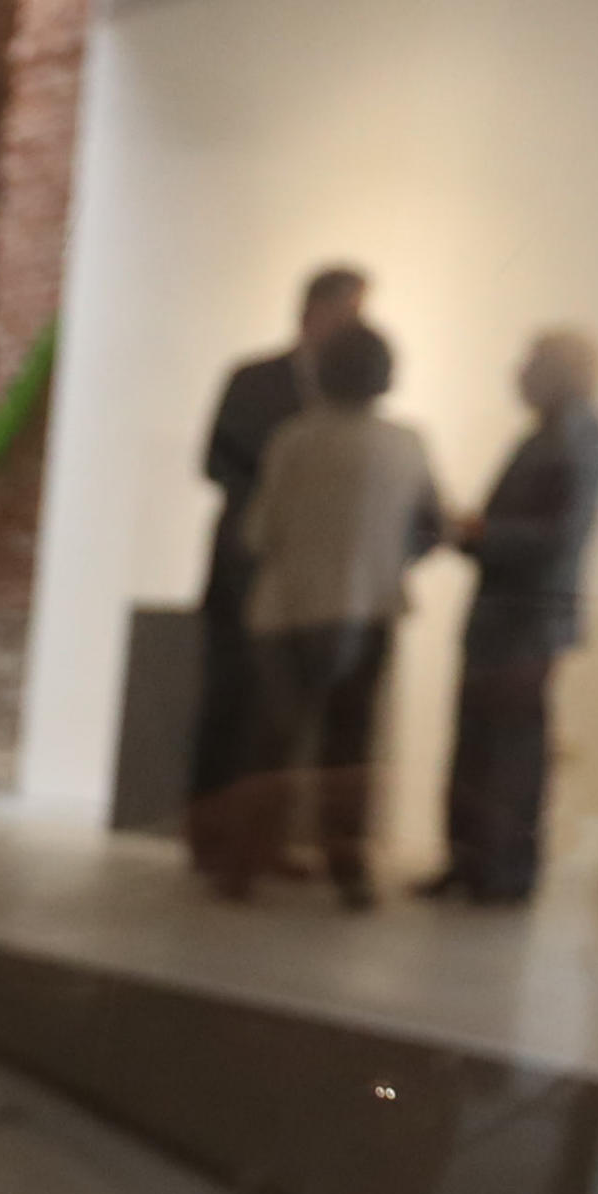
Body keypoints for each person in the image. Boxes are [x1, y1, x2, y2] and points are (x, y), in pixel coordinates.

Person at [203, 323, 438, 906]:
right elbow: (430, 527)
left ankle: (244, 863)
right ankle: (348, 868)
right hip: (369, 610)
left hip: (288, 613)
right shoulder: (406, 444)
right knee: (350, 748)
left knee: (273, 745)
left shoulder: (295, 440)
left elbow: (259, 533)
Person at [425, 328, 598, 907]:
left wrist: (483, 532)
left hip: (529, 620)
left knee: (510, 753)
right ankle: (472, 863)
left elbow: (559, 535)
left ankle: (502, 871)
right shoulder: (546, 435)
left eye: (532, 361)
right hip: (506, 615)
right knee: (479, 746)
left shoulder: (579, 434)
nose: (522, 372)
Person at [191, 265, 368, 829]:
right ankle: (212, 830)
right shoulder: (254, 380)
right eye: (348, 312)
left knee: (284, 712)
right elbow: (217, 461)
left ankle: (264, 839)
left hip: (307, 576)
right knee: (231, 696)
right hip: (248, 560)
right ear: (316, 311)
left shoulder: (349, 403)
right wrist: (280, 496)